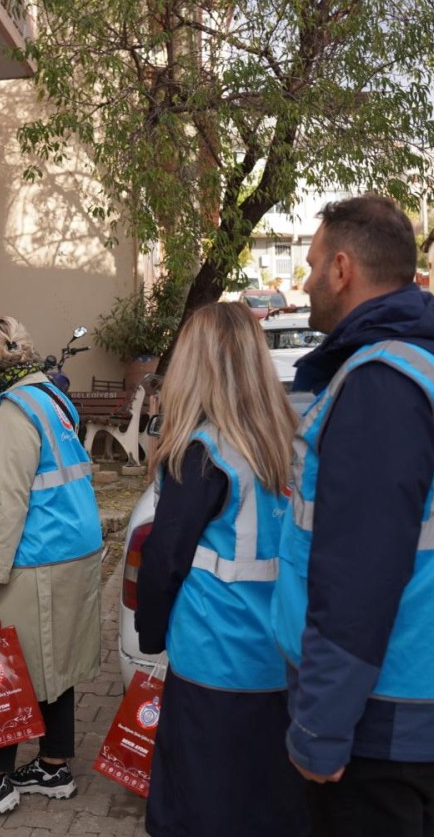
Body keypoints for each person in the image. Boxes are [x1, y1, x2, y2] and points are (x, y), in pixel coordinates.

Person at [271, 195, 434, 836]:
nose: (306, 282)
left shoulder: (384, 382)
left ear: (343, 269)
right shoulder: (430, 368)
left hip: (380, 711)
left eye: (313, 266)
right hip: (411, 693)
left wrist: (320, 725)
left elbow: (358, 578)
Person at [135, 301, 309, 837]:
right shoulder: (287, 445)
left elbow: (165, 558)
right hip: (278, 662)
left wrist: (150, 633)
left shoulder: (202, 452)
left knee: (199, 810)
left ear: (195, 366)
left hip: (215, 661)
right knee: (268, 806)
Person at [0, 316, 103, 827]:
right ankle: (53, 765)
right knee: (57, 660)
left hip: (38, 554)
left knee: (7, 665)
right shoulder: (51, 396)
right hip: (74, 544)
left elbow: (9, 499)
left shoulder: (9, 411)